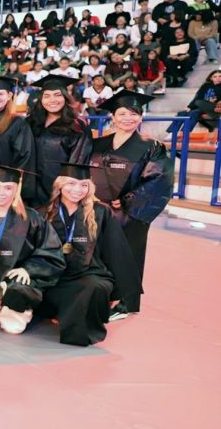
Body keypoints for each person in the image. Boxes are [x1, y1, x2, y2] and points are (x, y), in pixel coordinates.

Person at [44, 163, 142, 343]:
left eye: (84, 185)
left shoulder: (100, 211)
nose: (77, 190)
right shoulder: (46, 211)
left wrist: (117, 292)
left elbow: (115, 250)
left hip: (88, 271)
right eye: (71, 183)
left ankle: (79, 332)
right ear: (60, 185)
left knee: (96, 286)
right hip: (52, 272)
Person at [0, 166, 65, 335]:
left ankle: (11, 305)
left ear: (16, 190)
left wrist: (28, 269)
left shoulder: (32, 218)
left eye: (8, 188)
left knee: (13, 327)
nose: (1, 192)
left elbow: (51, 252)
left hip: (13, 284)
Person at [89, 91, 174, 280]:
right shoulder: (97, 144)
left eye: (134, 113)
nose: (128, 118)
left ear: (141, 117)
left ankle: (124, 295)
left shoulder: (152, 147)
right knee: (94, 254)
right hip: (95, 211)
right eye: (122, 113)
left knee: (126, 258)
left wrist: (128, 200)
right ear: (113, 117)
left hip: (130, 214)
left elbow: (161, 180)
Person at [27, 75, 92, 206]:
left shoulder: (78, 126)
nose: (52, 100)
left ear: (65, 97)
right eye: (47, 96)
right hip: (31, 191)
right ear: (41, 99)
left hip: (61, 192)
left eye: (57, 95)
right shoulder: (30, 122)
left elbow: (78, 161)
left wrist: (66, 190)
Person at [0, 75, 36, 203]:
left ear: (9, 95)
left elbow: (24, 159)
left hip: (5, 189)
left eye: (0, 94)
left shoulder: (18, 124)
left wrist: (9, 188)